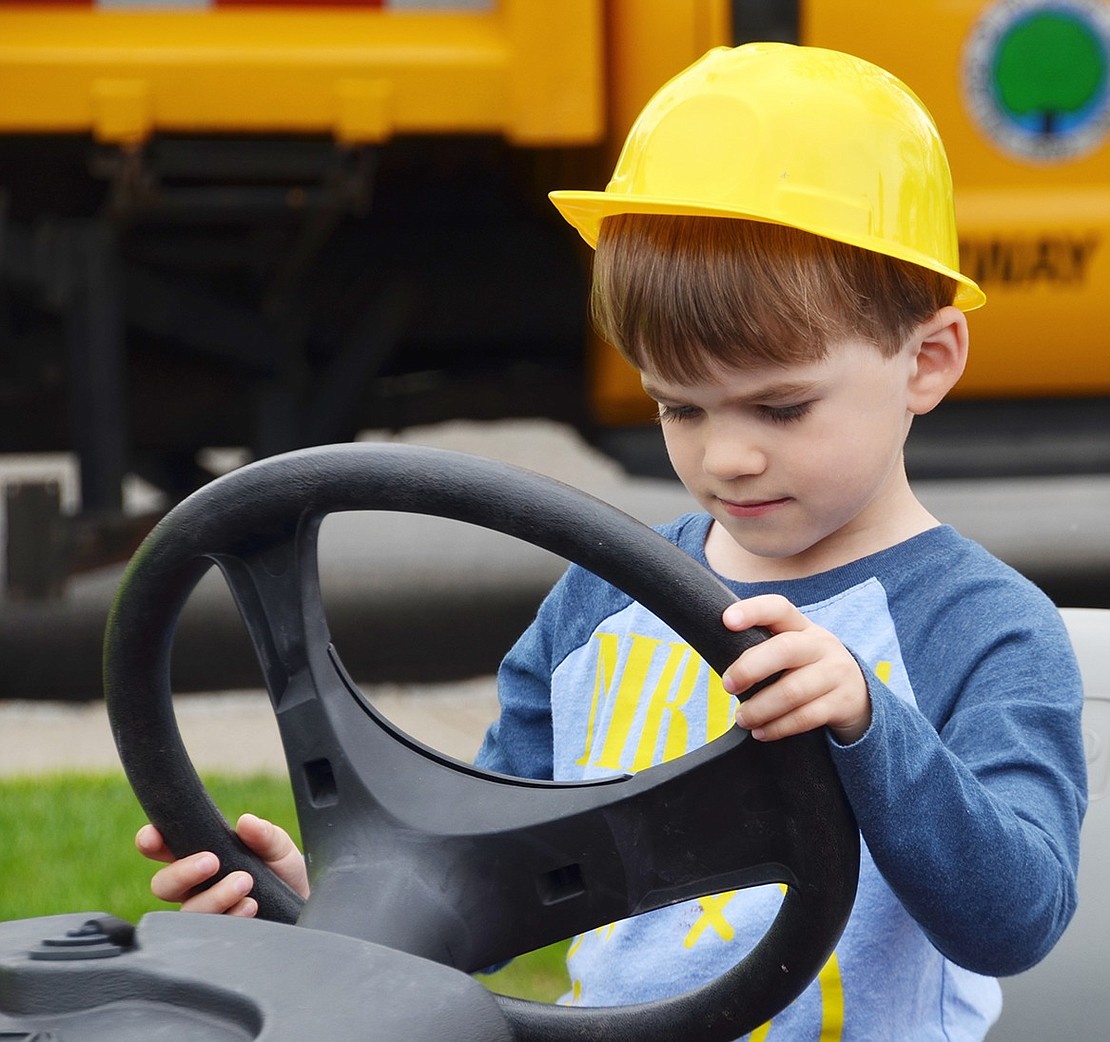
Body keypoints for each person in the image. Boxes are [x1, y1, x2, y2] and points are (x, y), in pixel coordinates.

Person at [136, 42, 1088, 1040]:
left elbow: (1015, 920)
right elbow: (480, 878)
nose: (728, 458)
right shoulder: (601, 603)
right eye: (680, 406)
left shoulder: (982, 629)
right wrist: (332, 905)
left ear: (927, 360)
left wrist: (867, 722)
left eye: (780, 406)